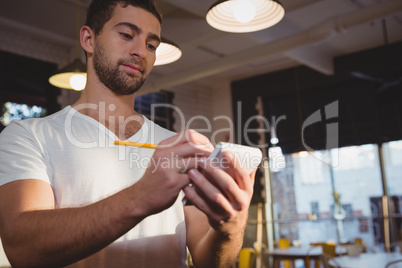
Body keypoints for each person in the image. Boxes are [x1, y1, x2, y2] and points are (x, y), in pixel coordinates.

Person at [0, 0, 255, 267]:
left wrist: (230, 229)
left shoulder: (174, 146)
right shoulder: (28, 136)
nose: (140, 52)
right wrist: (140, 198)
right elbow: (23, 248)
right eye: (126, 34)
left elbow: (210, 261)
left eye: (151, 45)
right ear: (89, 39)